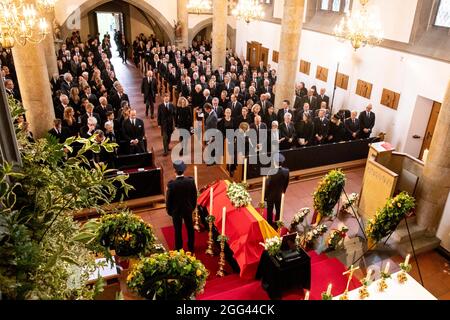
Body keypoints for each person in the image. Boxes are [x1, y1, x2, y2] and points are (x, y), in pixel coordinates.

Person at [166, 160, 197, 252]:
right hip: (188, 209)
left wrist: (170, 211)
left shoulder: (171, 184)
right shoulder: (190, 181)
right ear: (184, 171)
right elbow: (194, 196)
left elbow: (169, 200)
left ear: (174, 171)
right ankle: (191, 247)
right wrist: (192, 207)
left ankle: (179, 248)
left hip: (176, 210)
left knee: (177, 230)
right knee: (190, 228)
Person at [265, 153, 290, 228]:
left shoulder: (271, 172)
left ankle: (269, 224)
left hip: (270, 196)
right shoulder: (286, 171)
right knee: (278, 209)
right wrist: (283, 192)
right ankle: (276, 223)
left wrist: (265, 196)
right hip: (279, 195)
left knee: (270, 210)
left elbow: (268, 186)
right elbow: (286, 184)